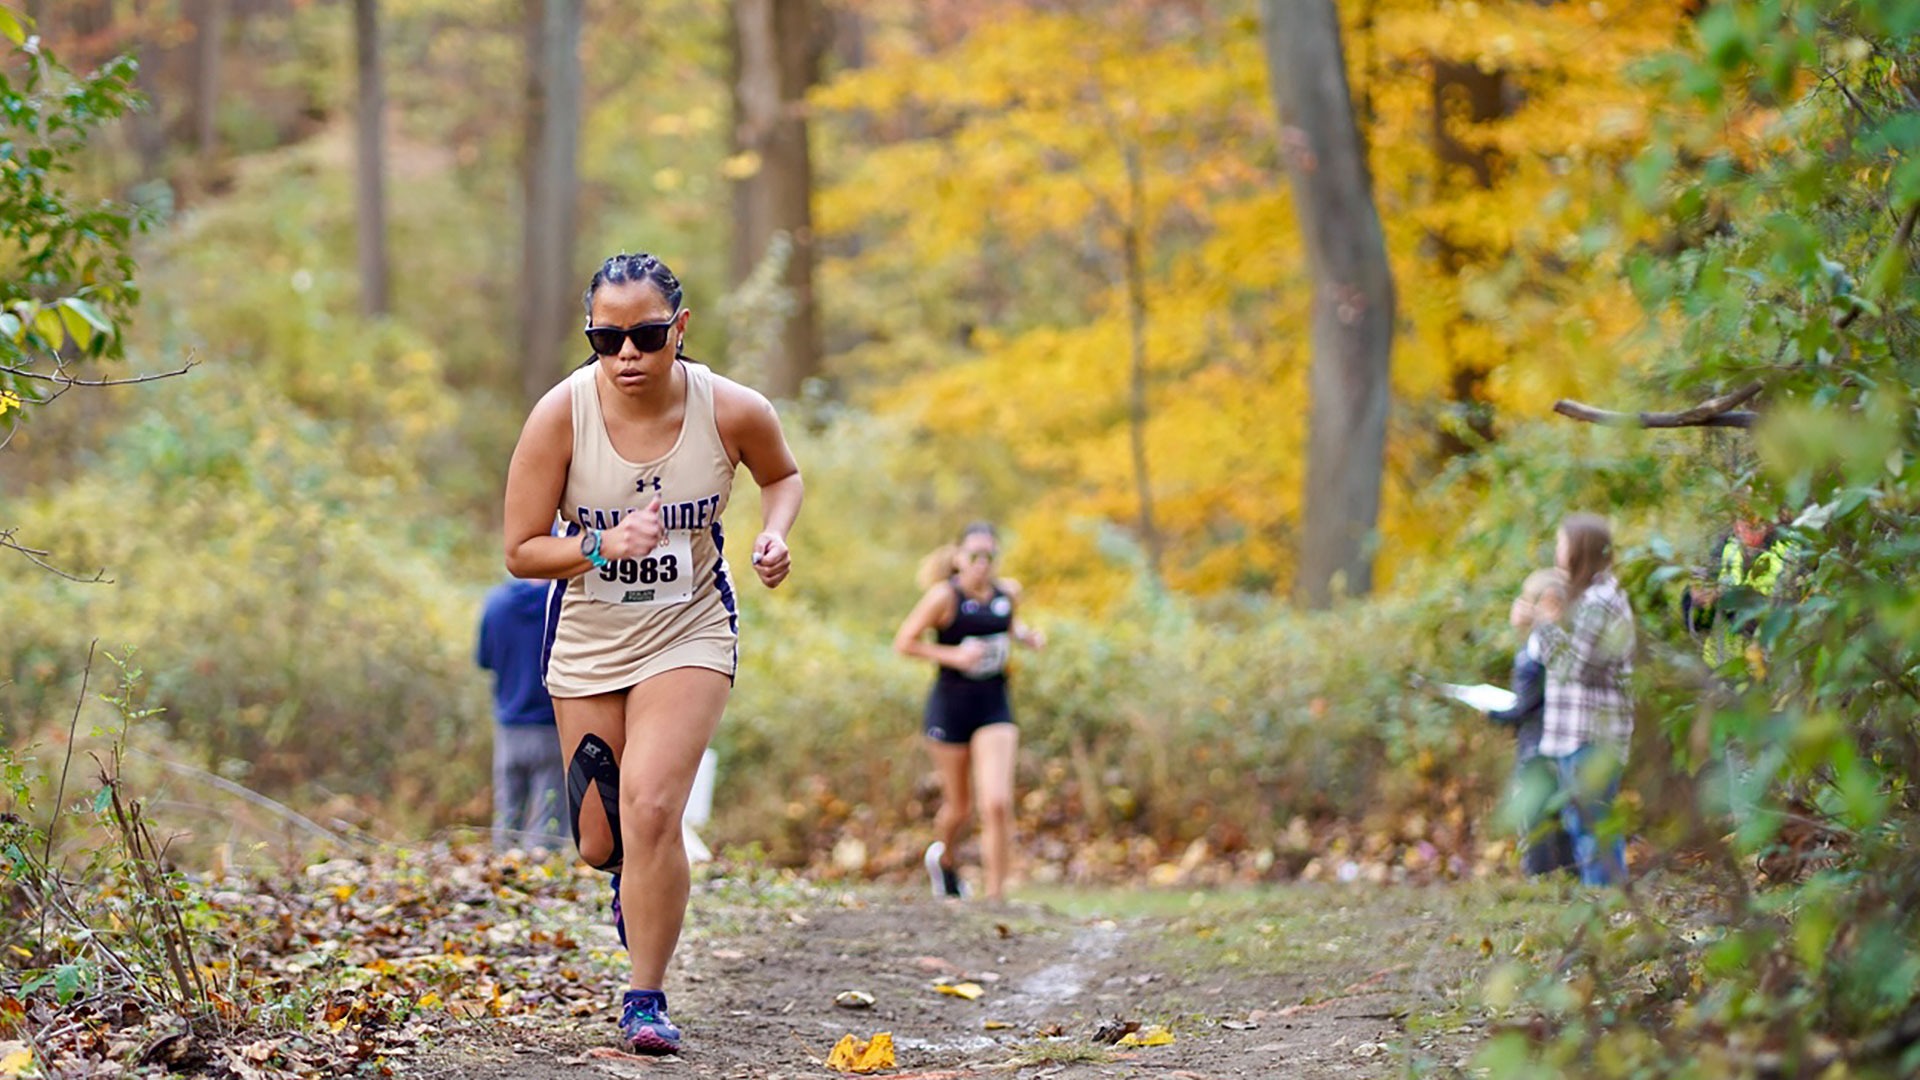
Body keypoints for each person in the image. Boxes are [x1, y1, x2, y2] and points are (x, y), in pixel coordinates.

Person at [502, 251, 803, 1054]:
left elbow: (784, 476)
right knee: (602, 838)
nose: (627, 355)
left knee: (654, 806)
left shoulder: (732, 409)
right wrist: (598, 545)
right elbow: (521, 552)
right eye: (607, 339)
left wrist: (775, 535)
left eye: (644, 335)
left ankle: (645, 998)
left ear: (680, 326)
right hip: (592, 638)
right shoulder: (560, 416)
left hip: (690, 627)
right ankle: (629, 881)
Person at [893, 522, 1044, 903]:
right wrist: (953, 655)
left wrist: (1025, 636)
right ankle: (944, 858)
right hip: (950, 708)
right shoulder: (944, 597)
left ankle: (997, 898)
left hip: (994, 704)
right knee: (959, 807)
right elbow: (905, 642)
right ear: (959, 557)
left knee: (996, 802)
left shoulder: (1008, 593)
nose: (982, 564)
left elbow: (1007, 625)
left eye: (989, 556)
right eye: (974, 555)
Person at [1533, 514, 1636, 887]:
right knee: (1583, 827)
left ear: (1581, 550)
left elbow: (1573, 667)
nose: (1558, 552)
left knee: (1594, 830)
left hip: (1590, 736)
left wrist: (1544, 624)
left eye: (1562, 544)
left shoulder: (1600, 601)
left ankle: (1606, 906)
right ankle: (1605, 908)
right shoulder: (1585, 600)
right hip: (1574, 734)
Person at [1486, 568, 1576, 878]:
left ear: (1548, 602)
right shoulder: (1549, 640)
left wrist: (1493, 713)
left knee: (1538, 816)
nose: (1519, 607)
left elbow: (1528, 702)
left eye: (1526, 600)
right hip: (1547, 741)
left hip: (1541, 744)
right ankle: (1565, 878)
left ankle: (1544, 877)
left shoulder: (1548, 642)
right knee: (1557, 815)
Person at [476, 576, 566, 852]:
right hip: (554, 729)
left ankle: (502, 884)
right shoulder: (564, 602)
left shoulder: (496, 603)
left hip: (509, 727)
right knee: (548, 827)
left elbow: (485, 660)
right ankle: (541, 889)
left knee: (507, 820)